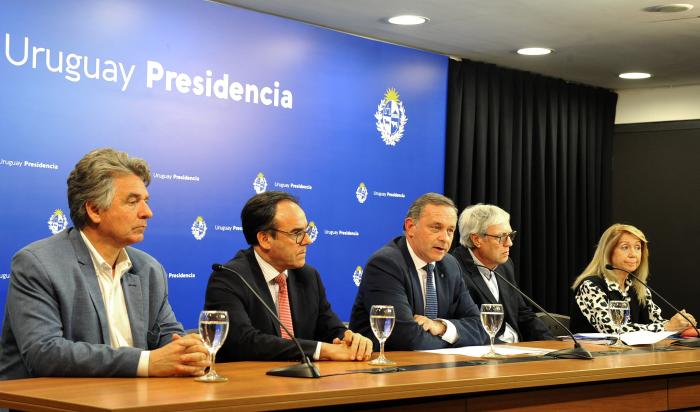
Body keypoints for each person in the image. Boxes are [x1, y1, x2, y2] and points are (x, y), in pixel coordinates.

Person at [0, 148, 209, 380]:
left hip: (134, 400)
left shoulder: (149, 268)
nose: (147, 212)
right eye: (133, 202)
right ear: (94, 209)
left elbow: (167, 336)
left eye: (146, 201)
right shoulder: (38, 263)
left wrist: (189, 352)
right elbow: (45, 353)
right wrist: (146, 362)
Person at [204, 191, 372, 362]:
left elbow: (330, 329)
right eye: (297, 233)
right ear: (265, 239)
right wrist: (322, 350)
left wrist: (351, 339)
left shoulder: (308, 276)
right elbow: (243, 342)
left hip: (303, 383)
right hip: (250, 383)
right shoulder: (229, 278)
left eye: (306, 231)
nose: (308, 240)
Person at [349, 193, 487, 350]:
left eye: (450, 231)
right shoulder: (386, 264)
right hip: (387, 366)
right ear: (410, 227)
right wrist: (454, 341)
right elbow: (405, 337)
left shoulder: (450, 265)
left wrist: (441, 327)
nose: (445, 238)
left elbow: (480, 327)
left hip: (434, 368)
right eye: (436, 228)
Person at [451, 204, 552, 342]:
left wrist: (551, 343)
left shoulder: (505, 265)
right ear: (477, 239)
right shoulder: (454, 268)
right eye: (501, 237)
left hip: (515, 349)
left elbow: (523, 315)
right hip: (487, 353)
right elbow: (468, 326)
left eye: (510, 235)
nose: (509, 243)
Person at [570, 223, 696, 334]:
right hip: (593, 357)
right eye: (625, 247)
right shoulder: (591, 286)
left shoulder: (638, 288)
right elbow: (613, 330)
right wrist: (667, 327)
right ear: (608, 252)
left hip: (630, 357)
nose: (633, 254)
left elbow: (657, 322)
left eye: (637, 247)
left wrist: (681, 325)